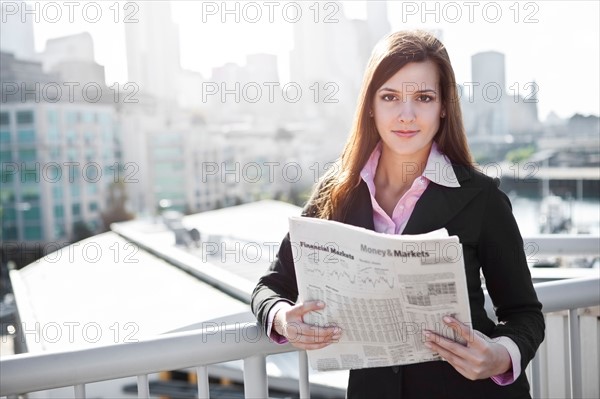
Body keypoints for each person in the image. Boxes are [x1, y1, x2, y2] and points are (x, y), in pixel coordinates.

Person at [251, 30, 545, 399]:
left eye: (423, 97)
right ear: (371, 105)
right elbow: (270, 288)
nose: (406, 115)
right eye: (390, 97)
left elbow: (525, 314)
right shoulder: (335, 194)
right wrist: (282, 319)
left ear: (443, 106)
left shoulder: (481, 197)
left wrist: (500, 357)